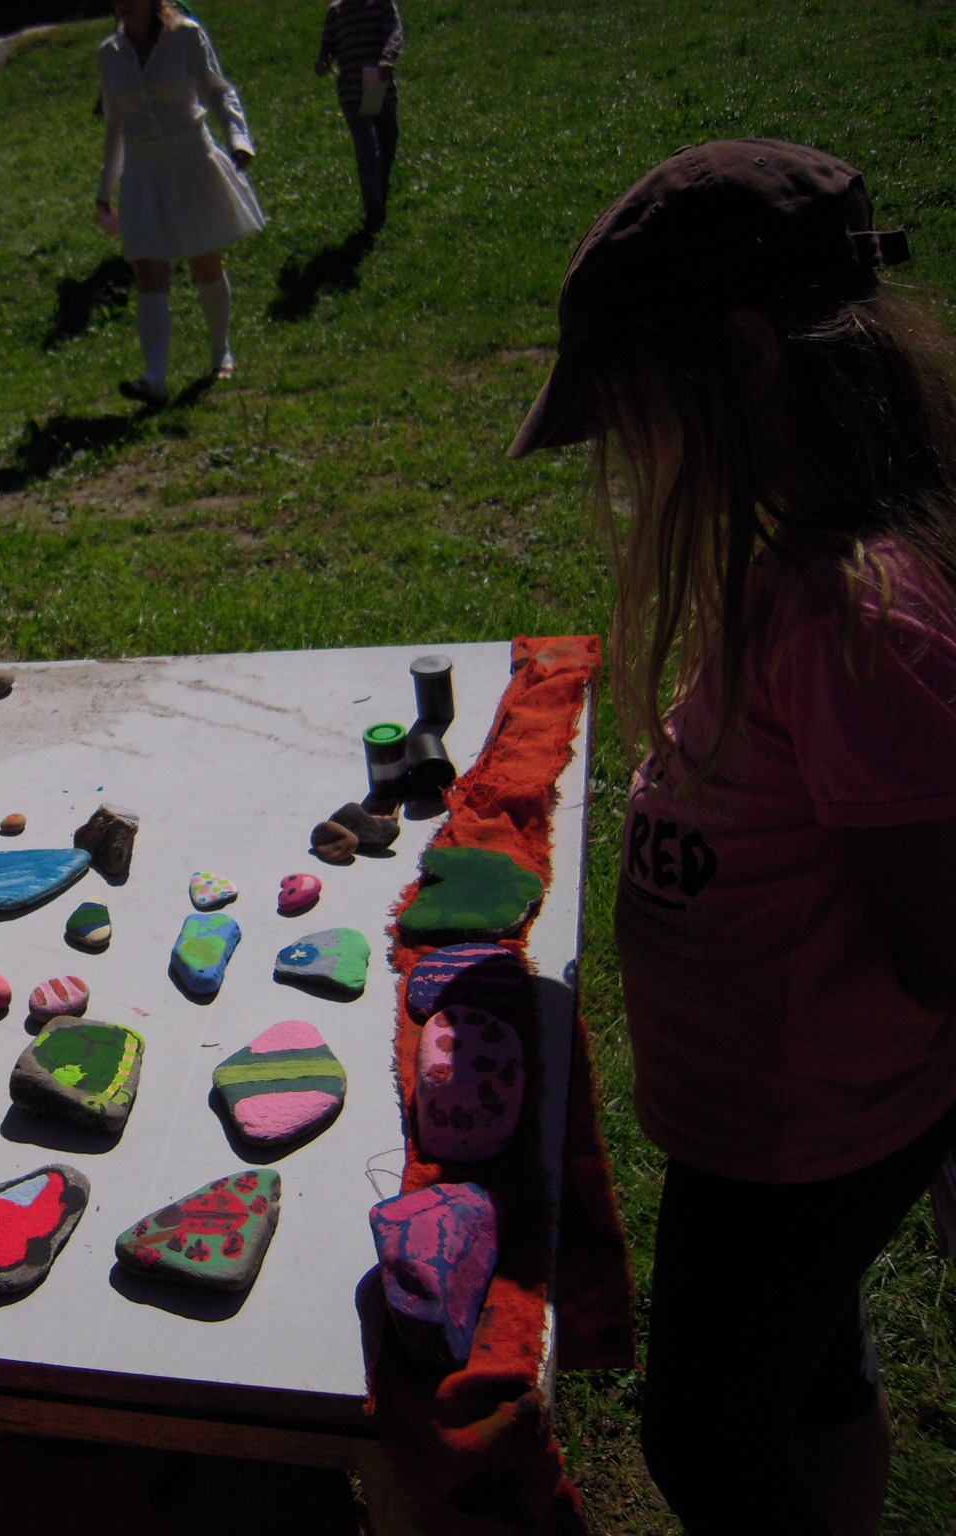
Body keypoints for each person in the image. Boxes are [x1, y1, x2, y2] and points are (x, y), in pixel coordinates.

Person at [509, 139, 956, 1536]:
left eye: (637, 409)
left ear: (747, 359)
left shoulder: (853, 621)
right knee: (812, 1382)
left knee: (704, 1443)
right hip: (768, 1121)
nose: (632, 454)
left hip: (802, 1138)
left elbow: (942, 944)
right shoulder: (796, 570)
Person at [94, 0, 264, 405]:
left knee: (205, 260)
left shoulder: (186, 35)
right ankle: (155, 377)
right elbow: (116, 125)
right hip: (142, 171)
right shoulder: (109, 53)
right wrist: (105, 191)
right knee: (148, 270)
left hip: (189, 160)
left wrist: (239, 140)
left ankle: (220, 350)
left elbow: (218, 90)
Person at [314, 0, 404, 229]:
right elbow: (327, 47)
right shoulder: (337, 12)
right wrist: (323, 61)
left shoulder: (380, 4)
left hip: (375, 82)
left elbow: (394, 33)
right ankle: (374, 211)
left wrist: (387, 58)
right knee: (366, 150)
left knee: (387, 140)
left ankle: (380, 186)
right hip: (351, 89)